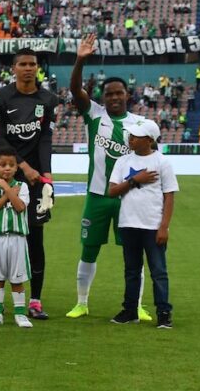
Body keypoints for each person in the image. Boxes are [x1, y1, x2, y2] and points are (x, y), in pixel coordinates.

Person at [66, 35, 151, 320]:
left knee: (133, 256)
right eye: (110, 93)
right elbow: (75, 89)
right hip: (97, 196)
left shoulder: (140, 125)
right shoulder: (94, 114)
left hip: (130, 197)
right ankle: (82, 302)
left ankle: (136, 305)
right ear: (104, 97)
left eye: (119, 93)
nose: (114, 97)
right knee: (89, 250)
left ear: (128, 95)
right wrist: (80, 60)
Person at [0, 48, 58, 320]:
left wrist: (46, 176)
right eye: (23, 64)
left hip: (36, 180)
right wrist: (23, 167)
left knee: (34, 239)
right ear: (13, 68)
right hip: (5, 174)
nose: (29, 68)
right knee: (0, 237)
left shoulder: (48, 99)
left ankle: (35, 301)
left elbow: (45, 140)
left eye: (33, 64)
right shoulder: (0, 97)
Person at [107, 120, 176, 329]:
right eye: (131, 135)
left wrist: (164, 226)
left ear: (149, 140)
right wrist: (136, 179)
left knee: (158, 271)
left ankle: (163, 312)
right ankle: (130, 310)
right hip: (128, 223)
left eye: (135, 136)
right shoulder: (123, 161)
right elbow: (112, 191)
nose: (131, 139)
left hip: (152, 226)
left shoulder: (162, 162)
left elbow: (169, 196)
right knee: (131, 270)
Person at [0, 147, 33, 328]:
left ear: (16, 168)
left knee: (17, 278)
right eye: (3, 165)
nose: (7, 168)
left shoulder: (23, 186)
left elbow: (20, 207)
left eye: (11, 165)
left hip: (17, 238)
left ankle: (20, 314)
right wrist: (6, 192)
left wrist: (7, 189)